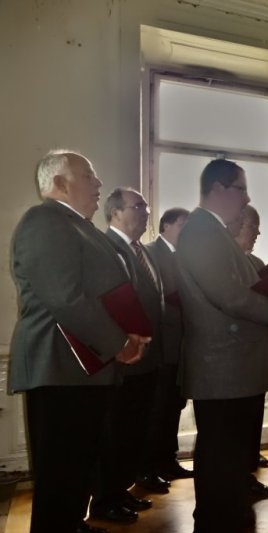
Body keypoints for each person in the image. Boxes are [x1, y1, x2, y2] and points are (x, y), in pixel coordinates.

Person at [9, 150, 146, 533]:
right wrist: (118, 342)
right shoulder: (45, 220)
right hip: (60, 365)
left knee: (78, 466)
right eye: (88, 176)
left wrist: (128, 330)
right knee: (60, 473)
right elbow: (65, 298)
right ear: (59, 183)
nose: (98, 183)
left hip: (82, 366)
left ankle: (72, 524)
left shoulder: (76, 225)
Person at [175, 159, 268, 533]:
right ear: (219, 189)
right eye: (241, 189)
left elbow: (239, 293)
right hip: (222, 367)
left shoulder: (212, 232)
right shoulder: (202, 230)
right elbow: (230, 296)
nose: (247, 198)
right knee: (221, 458)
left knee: (229, 460)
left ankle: (229, 519)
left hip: (232, 366)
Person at [90, 188, 166, 524]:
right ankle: (105, 500)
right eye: (138, 206)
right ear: (116, 212)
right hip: (123, 360)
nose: (146, 212)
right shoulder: (106, 247)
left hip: (148, 359)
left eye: (146, 206)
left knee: (135, 431)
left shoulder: (143, 251)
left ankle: (122, 491)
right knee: (115, 433)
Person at [143, 207, 193, 481]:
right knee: (157, 408)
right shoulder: (151, 252)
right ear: (165, 226)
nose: (187, 231)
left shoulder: (186, 256)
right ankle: (149, 466)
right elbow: (160, 295)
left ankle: (168, 460)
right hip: (161, 345)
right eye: (183, 224)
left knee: (174, 405)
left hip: (182, 345)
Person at [229, 205, 268, 488]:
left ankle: (249, 461)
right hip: (237, 357)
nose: (258, 233)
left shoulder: (257, 263)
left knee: (254, 413)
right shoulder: (225, 263)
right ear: (236, 224)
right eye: (253, 227)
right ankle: (239, 480)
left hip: (260, 353)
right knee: (235, 424)